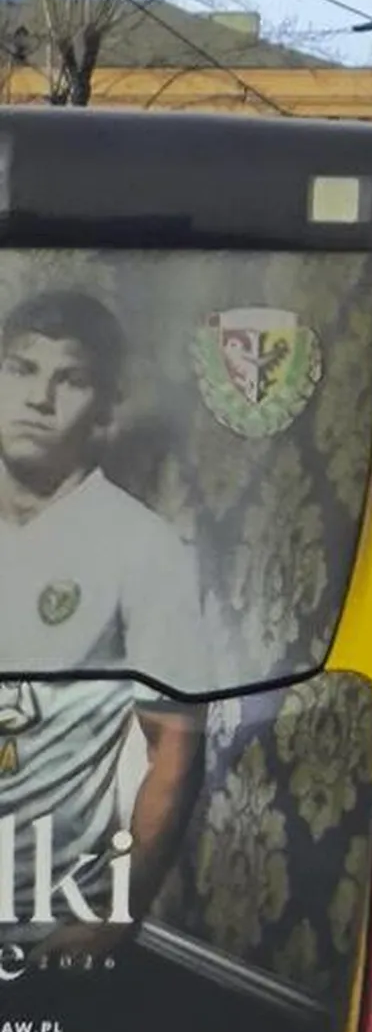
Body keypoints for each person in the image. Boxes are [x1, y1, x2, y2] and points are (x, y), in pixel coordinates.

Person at [0, 286, 209, 952]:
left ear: (103, 409)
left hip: (49, 927)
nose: (39, 399)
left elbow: (174, 749)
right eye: (21, 369)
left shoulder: (142, 548)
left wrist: (111, 921)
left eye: (71, 379)